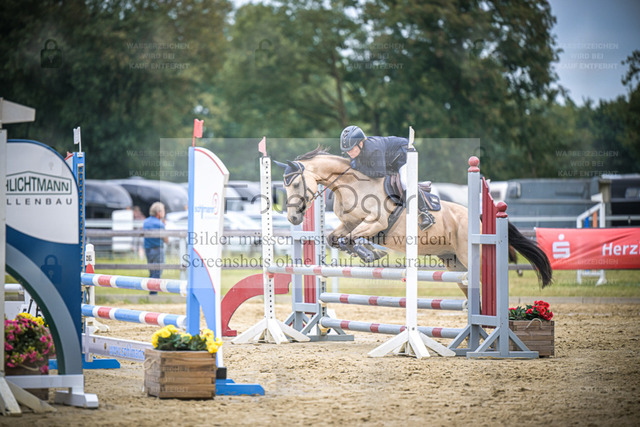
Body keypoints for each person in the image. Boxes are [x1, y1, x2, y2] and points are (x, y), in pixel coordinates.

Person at [340, 125, 435, 230]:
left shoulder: (373, 149)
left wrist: (359, 167)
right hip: (391, 161)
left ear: (360, 144)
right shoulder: (359, 152)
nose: (349, 152)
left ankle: (425, 213)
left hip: (404, 154)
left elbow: (380, 173)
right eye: (347, 150)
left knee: (405, 182)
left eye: (351, 149)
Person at [143, 201, 168, 295]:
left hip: (148, 249)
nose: (164, 212)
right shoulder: (160, 224)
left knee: (152, 271)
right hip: (158, 249)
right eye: (163, 211)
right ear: (159, 212)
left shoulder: (145, 222)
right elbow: (166, 239)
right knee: (157, 272)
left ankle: (151, 291)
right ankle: (153, 294)